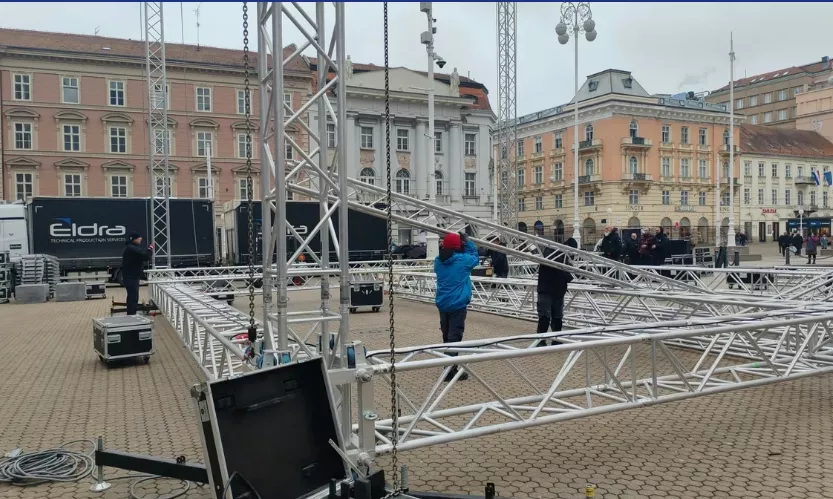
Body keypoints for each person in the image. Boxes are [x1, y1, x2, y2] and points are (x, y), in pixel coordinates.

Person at [434, 231, 480, 381]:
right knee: (454, 338)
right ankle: (449, 371)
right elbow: (475, 258)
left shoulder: (437, 261)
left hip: (443, 304)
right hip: (457, 304)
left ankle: (450, 366)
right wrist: (468, 242)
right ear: (458, 246)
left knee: (447, 336)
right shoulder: (463, 260)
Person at [536, 238, 577, 347]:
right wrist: (565, 269)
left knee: (557, 317)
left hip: (558, 291)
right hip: (546, 290)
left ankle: (556, 339)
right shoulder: (551, 250)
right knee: (545, 316)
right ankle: (540, 340)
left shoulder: (566, 259)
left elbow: (570, 275)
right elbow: (551, 262)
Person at [122, 232, 153, 315]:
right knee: (133, 298)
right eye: (139, 237)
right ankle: (131, 316)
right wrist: (150, 248)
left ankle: (131, 314)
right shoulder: (132, 249)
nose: (141, 239)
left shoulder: (131, 248)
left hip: (131, 277)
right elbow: (145, 256)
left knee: (132, 297)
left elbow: (141, 255)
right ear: (134, 239)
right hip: (131, 278)